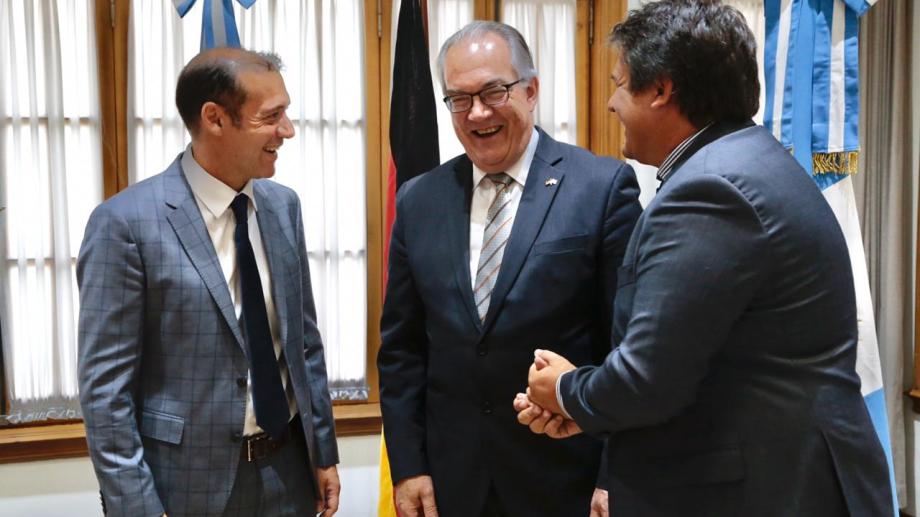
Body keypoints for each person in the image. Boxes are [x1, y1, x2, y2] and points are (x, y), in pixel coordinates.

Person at [516, 1, 893, 515]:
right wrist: (590, 408)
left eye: (619, 83)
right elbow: (705, 364)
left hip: (771, 491)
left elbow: (646, 381)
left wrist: (561, 389)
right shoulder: (746, 160)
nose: (610, 103)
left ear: (660, 89)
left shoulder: (712, 190)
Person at [377, 20, 642, 517]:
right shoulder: (419, 200)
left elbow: (628, 345)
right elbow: (402, 351)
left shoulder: (601, 187)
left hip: (566, 479)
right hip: (453, 484)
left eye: (493, 92)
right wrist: (409, 467)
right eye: (459, 99)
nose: (477, 112)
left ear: (531, 90)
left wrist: (615, 476)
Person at [77, 48, 340, 517]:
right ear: (215, 118)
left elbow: (304, 343)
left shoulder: (283, 207)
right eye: (271, 116)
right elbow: (105, 392)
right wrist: (138, 508)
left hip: (290, 474)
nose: (287, 130)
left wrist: (323, 452)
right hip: (184, 488)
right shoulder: (125, 224)